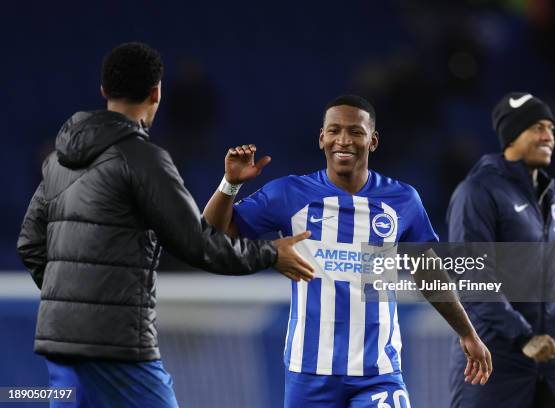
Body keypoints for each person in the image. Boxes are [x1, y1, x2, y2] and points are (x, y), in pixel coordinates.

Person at [16, 42, 314, 408]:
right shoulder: (143, 159)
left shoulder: (58, 161)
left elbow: (29, 244)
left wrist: (72, 299)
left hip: (59, 339)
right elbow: (197, 243)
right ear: (157, 93)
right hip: (120, 343)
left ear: (104, 92)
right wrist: (269, 254)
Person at [203, 94, 492, 407]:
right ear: (322, 138)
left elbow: (429, 274)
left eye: (355, 131)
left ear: (373, 141)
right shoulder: (287, 194)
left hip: (378, 371)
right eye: (334, 130)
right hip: (309, 373)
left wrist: (467, 333)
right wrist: (229, 185)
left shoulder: (402, 200)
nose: (344, 140)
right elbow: (213, 233)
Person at [447, 92, 555, 407]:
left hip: (550, 355)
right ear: (511, 135)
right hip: (494, 357)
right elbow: (473, 278)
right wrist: (522, 336)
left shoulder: (554, 198)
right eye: (537, 127)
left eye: (551, 128)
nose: (548, 136)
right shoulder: (478, 191)